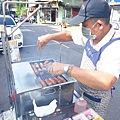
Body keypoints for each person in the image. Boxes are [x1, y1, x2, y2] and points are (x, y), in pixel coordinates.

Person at [37, 0, 120, 118]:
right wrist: (49, 37)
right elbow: (69, 35)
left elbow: (106, 81)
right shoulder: (93, 34)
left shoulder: (115, 45)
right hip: (81, 91)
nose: (82, 28)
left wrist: (67, 68)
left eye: (84, 25)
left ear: (99, 25)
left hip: (96, 100)